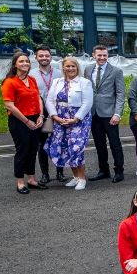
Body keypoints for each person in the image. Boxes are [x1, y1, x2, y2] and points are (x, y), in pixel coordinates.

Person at [44, 56, 93, 191]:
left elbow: (87, 103)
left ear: (77, 68)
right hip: (60, 119)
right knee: (66, 148)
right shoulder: (57, 82)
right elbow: (49, 101)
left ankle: (82, 178)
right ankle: (75, 176)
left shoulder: (84, 82)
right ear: (63, 68)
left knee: (76, 148)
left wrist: (76, 118)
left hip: (79, 121)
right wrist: (55, 116)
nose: (70, 68)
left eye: (73, 66)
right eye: (68, 66)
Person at [2, 52, 47, 194]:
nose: (25, 64)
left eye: (27, 61)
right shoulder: (9, 82)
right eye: (21, 61)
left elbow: (38, 98)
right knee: (23, 151)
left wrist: (41, 115)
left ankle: (32, 179)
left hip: (35, 119)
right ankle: (20, 182)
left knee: (33, 149)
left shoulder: (32, 79)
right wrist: (27, 121)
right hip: (19, 121)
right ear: (15, 64)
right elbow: (10, 105)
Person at [84, 44, 125, 183]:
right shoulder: (88, 70)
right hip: (94, 113)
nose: (102, 58)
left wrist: (117, 114)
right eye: (99, 55)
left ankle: (119, 171)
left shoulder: (116, 71)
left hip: (110, 114)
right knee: (99, 144)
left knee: (115, 144)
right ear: (93, 55)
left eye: (104, 55)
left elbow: (120, 94)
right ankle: (104, 170)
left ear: (107, 56)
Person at [30, 45, 63, 183]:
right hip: (40, 111)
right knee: (42, 144)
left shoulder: (59, 73)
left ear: (51, 57)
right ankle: (45, 174)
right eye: (41, 56)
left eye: (47, 55)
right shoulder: (31, 74)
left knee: (59, 142)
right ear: (36, 57)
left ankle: (60, 172)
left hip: (58, 110)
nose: (44, 58)